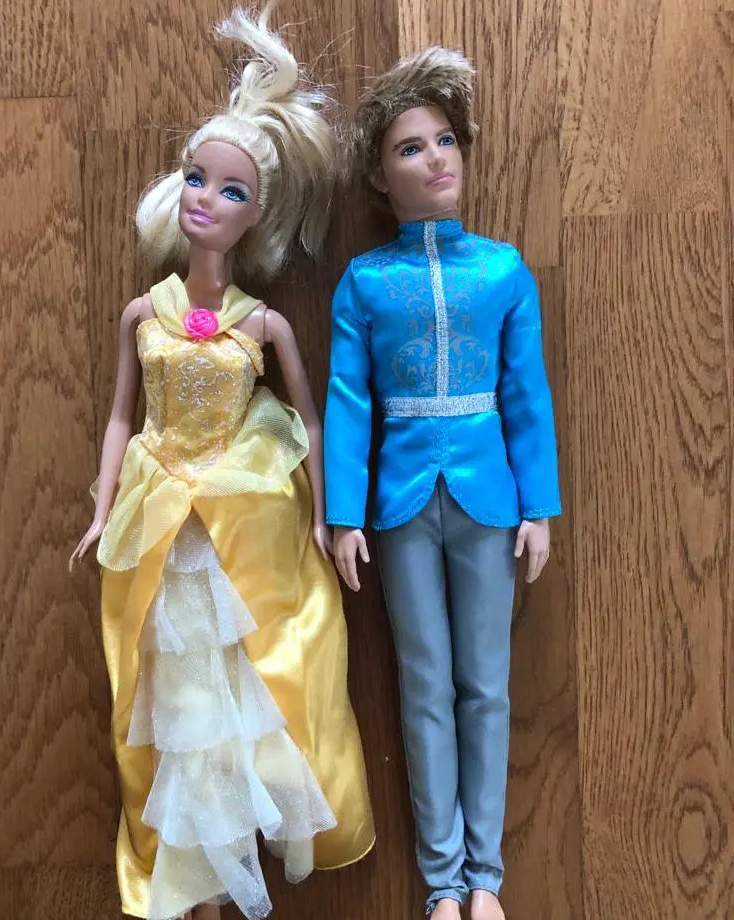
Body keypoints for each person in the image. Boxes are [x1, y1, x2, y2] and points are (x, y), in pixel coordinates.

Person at [69, 8, 374, 919]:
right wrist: (101, 509)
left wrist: (323, 515)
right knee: (177, 699)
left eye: (230, 190)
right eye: (197, 177)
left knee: (247, 689)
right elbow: (121, 415)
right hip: (163, 514)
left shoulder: (263, 325)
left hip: (240, 520)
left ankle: (233, 874)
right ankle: (195, 889)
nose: (205, 198)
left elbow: (309, 419)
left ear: (256, 215)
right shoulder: (143, 313)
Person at [324, 47, 561, 920]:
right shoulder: (363, 281)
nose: (435, 159)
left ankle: (485, 878)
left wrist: (539, 506)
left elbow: (526, 394)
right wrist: (343, 513)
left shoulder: (502, 270)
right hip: (398, 504)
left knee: (486, 684)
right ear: (379, 177)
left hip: (489, 498)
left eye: (445, 140)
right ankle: (442, 883)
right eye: (410, 148)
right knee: (423, 682)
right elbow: (348, 401)